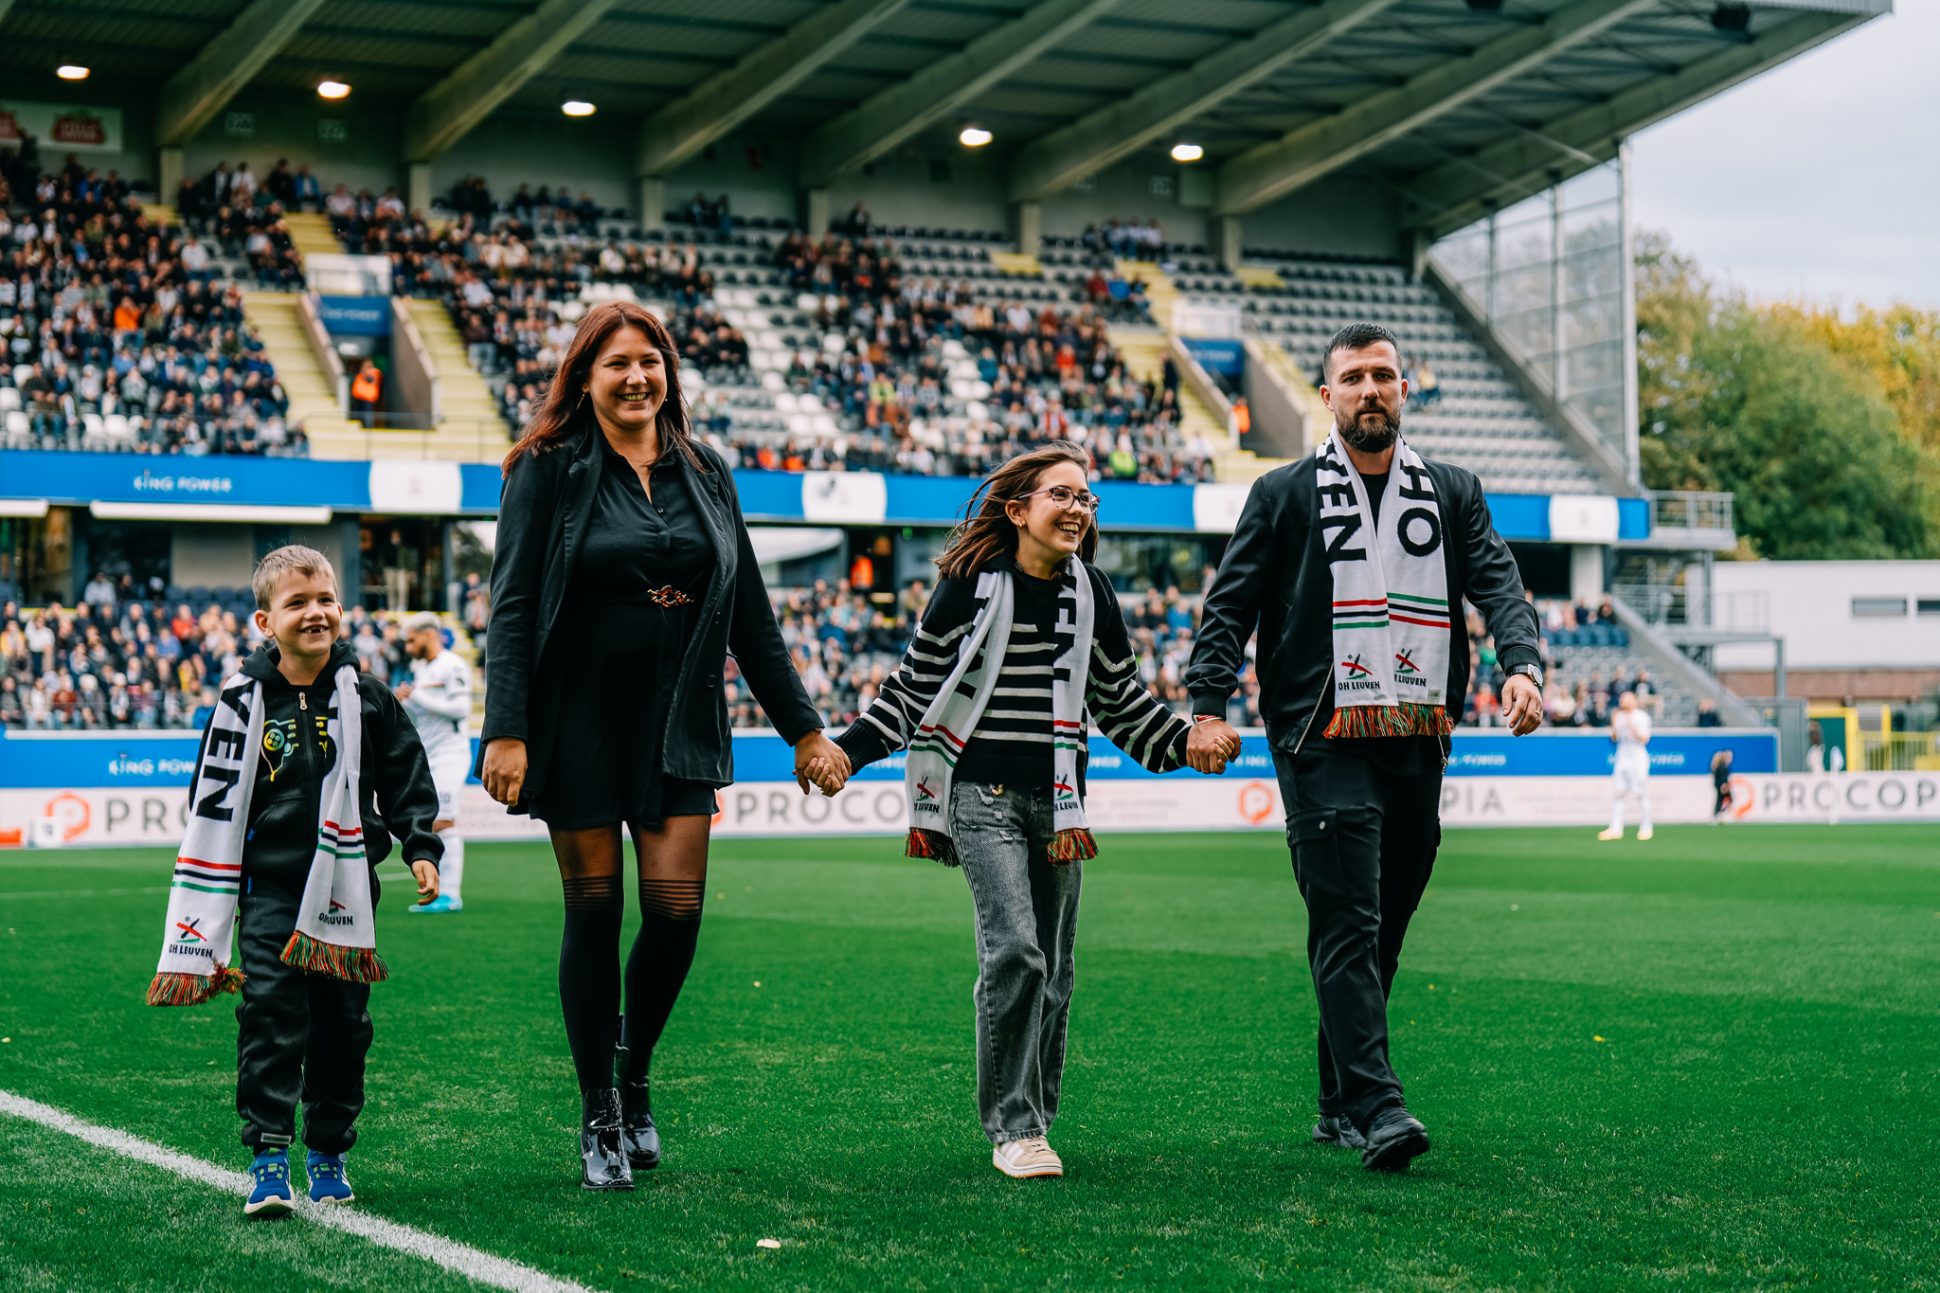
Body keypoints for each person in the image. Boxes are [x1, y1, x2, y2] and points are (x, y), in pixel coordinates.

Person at [478, 300, 848, 1191]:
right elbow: (514, 603)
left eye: (651, 360)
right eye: (617, 364)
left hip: (681, 717)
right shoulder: (546, 468)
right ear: (585, 377)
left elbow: (750, 612)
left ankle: (634, 1068)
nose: (637, 376)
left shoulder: (708, 469)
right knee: (596, 913)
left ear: (669, 372)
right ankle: (599, 1110)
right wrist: (507, 727)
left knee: (677, 916)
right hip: (574, 723)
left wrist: (804, 727)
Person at [811, 442, 1236, 1180]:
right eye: (1061, 495)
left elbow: (1120, 702)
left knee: (1056, 969)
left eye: (1086, 499)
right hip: (981, 796)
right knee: (1015, 950)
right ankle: (1013, 1128)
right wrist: (847, 750)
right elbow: (913, 689)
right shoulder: (967, 584)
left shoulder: (1094, 592)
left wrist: (1186, 739)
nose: (1078, 509)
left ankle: (1035, 1117)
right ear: (1018, 510)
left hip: (1060, 803)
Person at [1185, 322, 1544, 1172]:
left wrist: (1521, 662)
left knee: (1384, 923)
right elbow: (1228, 608)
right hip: (1318, 732)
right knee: (1348, 913)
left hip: (1418, 731)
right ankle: (1381, 1108)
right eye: (1353, 378)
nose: (1370, 390)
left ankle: (1337, 1099)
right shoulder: (1282, 492)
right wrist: (1206, 703)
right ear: (1327, 396)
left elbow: (1498, 579)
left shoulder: (1453, 489)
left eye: (1384, 374)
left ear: (1404, 389)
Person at [146, 545, 442, 1218]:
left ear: (341, 608)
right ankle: (269, 1155)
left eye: (325, 599)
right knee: (272, 1017)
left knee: (343, 1025)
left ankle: (329, 1150)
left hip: (348, 889)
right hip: (270, 891)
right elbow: (210, 798)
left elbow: (406, 778)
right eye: (297, 602)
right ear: (263, 620)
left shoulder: (367, 697)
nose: (315, 612)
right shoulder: (239, 705)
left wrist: (419, 844)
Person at [397, 613, 472, 913]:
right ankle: (440, 892)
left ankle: (450, 895)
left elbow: (460, 708)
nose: (407, 647)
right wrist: (405, 703)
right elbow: (423, 717)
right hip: (429, 755)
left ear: (429, 635)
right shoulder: (421, 669)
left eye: (412, 640)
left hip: (450, 754)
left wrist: (418, 697)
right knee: (433, 821)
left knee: (444, 821)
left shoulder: (452, 665)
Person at [1599, 691, 1653, 842]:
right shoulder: (1618, 716)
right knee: (1618, 792)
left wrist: (1630, 723)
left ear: (1633, 700)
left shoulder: (1641, 716)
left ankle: (1646, 828)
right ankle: (1616, 828)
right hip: (1622, 755)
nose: (1622, 700)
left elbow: (1644, 739)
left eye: (1625, 698)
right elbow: (1614, 738)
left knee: (1641, 793)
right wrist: (1615, 724)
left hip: (1637, 756)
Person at [350, 359, 383, 427]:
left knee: (367, 414)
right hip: (360, 397)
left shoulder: (373, 372)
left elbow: (370, 379)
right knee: (360, 414)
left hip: (368, 397)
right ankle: (361, 426)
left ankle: (368, 427)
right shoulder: (361, 374)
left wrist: (365, 372)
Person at [1710, 749, 1734, 821]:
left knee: (1720, 800)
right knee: (1724, 800)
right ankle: (1718, 814)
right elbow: (1722, 777)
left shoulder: (1720, 766)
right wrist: (1723, 785)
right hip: (1722, 786)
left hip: (1720, 785)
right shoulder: (1721, 766)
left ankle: (1718, 814)